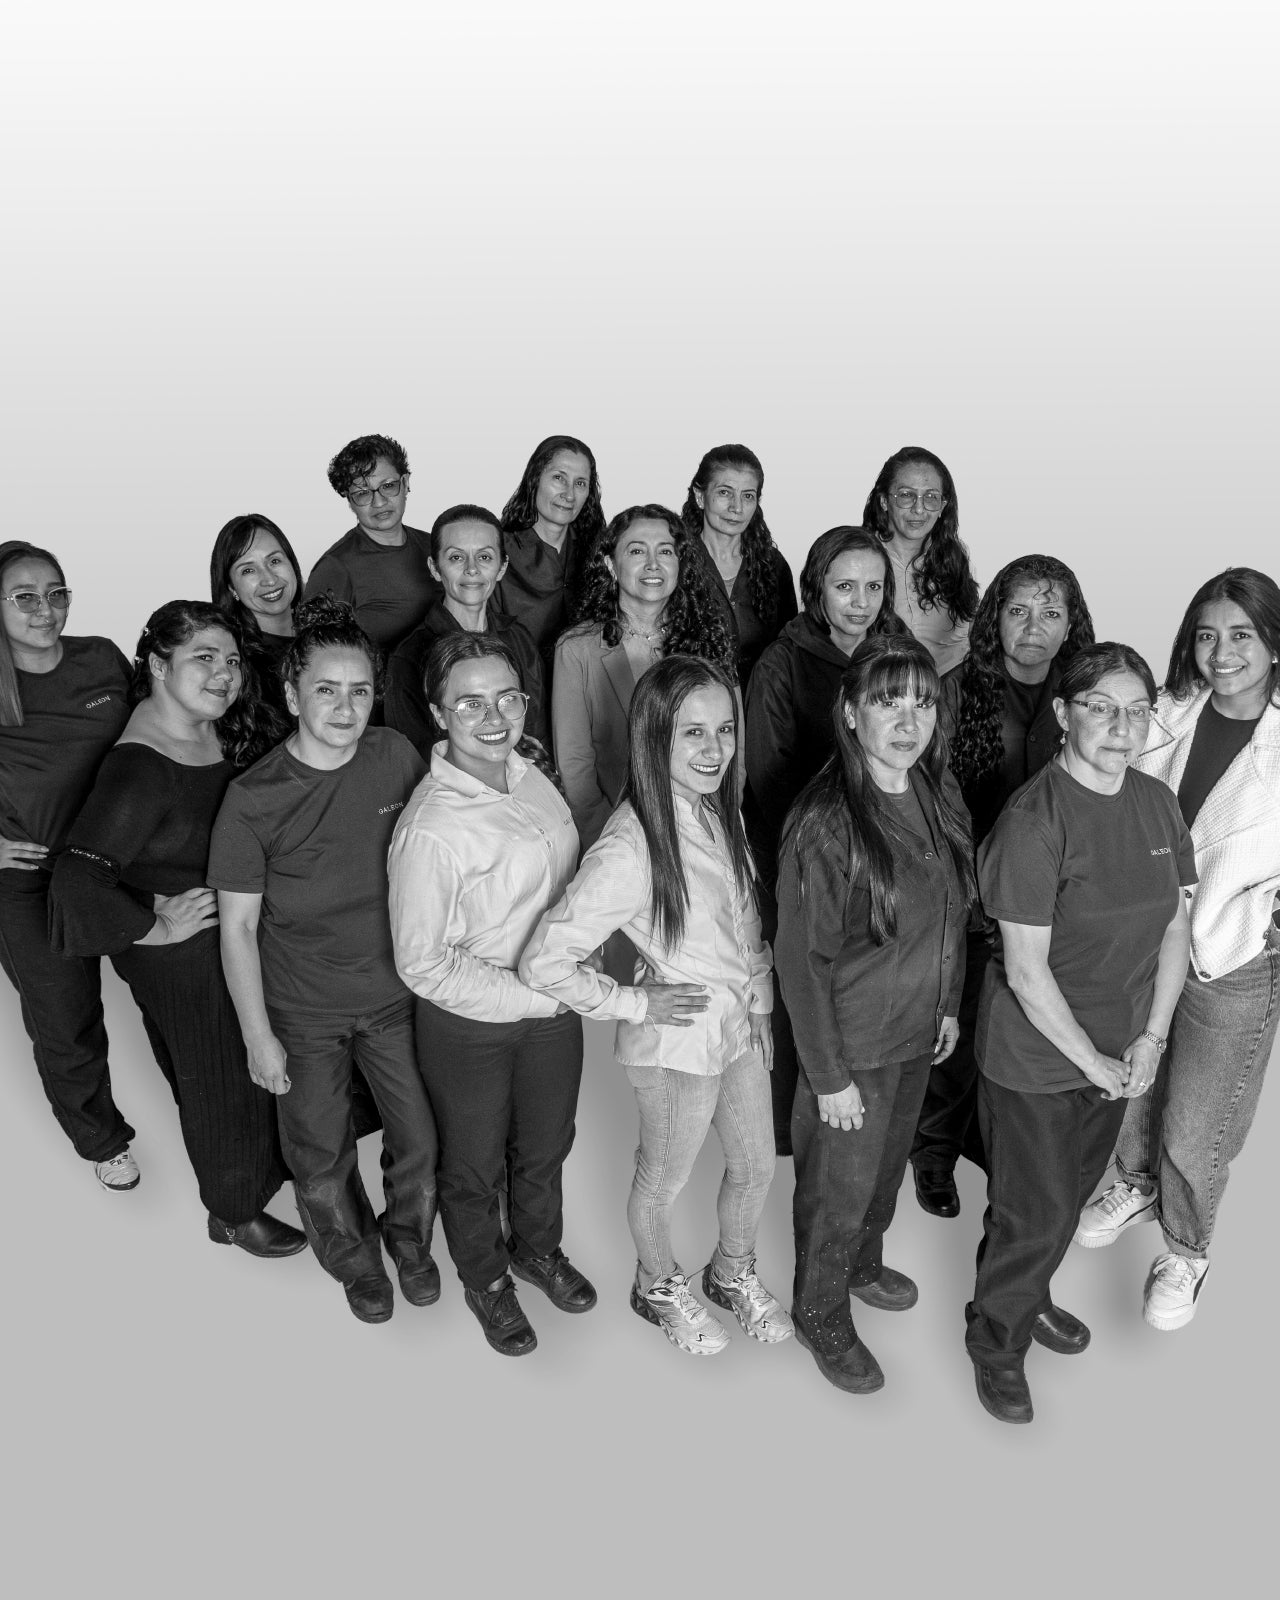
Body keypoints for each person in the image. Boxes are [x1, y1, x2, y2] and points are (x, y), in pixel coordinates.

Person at [521, 655, 792, 1358]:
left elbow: (744, 917)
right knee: (663, 1181)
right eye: (692, 732)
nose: (714, 749)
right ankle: (657, 1284)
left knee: (757, 1164)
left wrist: (761, 1003)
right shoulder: (629, 845)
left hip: (736, 1026)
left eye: (724, 729)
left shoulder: (718, 808)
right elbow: (545, 960)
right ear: (653, 736)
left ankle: (731, 1274)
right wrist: (634, 1002)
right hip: (676, 1047)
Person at [966, 643, 1195, 1423]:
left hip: (1120, 1056)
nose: (1122, 727)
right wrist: (1094, 1063)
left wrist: (1151, 1039)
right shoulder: (1034, 822)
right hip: (1037, 1062)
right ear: (1064, 714)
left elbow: (1174, 925)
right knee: (1031, 1213)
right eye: (1101, 707)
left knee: (1059, 1205)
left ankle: (1021, 1295)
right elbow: (1026, 973)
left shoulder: (1156, 803)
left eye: (1138, 710)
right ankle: (997, 1342)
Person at [49, 602, 304, 1256]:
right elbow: (77, 879)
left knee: (253, 1065)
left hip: (229, 932)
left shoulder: (206, 728)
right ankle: (233, 1212)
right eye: (204, 659)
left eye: (232, 660)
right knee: (219, 1078)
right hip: (185, 955)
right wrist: (156, 926)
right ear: (159, 666)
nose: (225, 674)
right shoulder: (140, 765)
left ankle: (268, 1174)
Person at [210, 598, 439, 1324]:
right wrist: (258, 1036)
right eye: (327, 690)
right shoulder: (252, 800)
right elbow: (238, 929)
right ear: (291, 695)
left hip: (396, 995)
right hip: (303, 1011)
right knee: (318, 1150)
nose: (345, 708)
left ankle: (410, 1240)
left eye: (360, 690)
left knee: (420, 1134)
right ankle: (354, 1261)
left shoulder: (394, 756)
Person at [1074, 569, 1280, 1332]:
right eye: (1206, 635)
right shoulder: (1165, 711)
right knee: (1136, 1080)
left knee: (1200, 1122)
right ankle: (1133, 1182)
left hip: (1231, 956)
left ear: (1274, 643)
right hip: (1146, 938)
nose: (1222, 653)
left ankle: (1187, 1248)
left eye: (1242, 635)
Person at [776, 635, 974, 1394]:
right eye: (888, 701)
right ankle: (819, 1312)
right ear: (851, 711)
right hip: (852, 1047)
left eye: (923, 702)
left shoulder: (931, 789)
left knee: (885, 1172)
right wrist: (829, 1078)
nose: (908, 720)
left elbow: (949, 912)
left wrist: (947, 1005)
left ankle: (861, 1264)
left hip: (915, 1032)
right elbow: (802, 962)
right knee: (838, 1191)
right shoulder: (826, 821)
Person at [388, 633, 594, 1357]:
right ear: (438, 714)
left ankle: (536, 1249)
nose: (494, 717)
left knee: (546, 1144)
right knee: (473, 1165)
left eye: (507, 698)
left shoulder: (529, 774)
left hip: (552, 1009)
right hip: (472, 1026)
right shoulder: (431, 828)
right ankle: (486, 1278)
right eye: (471, 703)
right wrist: (536, 997)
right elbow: (423, 964)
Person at [910, 555, 1095, 1217]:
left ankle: (988, 1142)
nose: (1034, 626)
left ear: (1071, 623)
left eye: (1050, 612)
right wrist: (976, 889)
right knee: (956, 1032)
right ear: (995, 618)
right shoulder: (955, 692)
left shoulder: (1085, 696)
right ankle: (933, 1153)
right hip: (968, 896)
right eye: (1019, 610)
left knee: (1025, 1030)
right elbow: (932, 804)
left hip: (1053, 901)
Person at [744, 526, 908, 1152]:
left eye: (874, 587)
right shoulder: (782, 663)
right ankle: (793, 1131)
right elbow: (767, 777)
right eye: (845, 587)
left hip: (886, 852)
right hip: (809, 854)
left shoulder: (897, 654)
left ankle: (872, 1114)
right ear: (816, 588)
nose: (861, 602)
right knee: (809, 987)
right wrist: (828, 847)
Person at [0, 542, 136, 1189]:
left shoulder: (100, 658)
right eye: (25, 597)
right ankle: (102, 1141)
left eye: (56, 593)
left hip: (117, 863)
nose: (45, 610)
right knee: (66, 1018)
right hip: (29, 882)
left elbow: (153, 733)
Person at [553, 503, 735, 853]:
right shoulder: (576, 650)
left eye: (665, 551)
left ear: (680, 564)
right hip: (618, 837)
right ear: (611, 564)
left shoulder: (710, 640)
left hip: (704, 833)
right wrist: (618, 844)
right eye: (637, 551)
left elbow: (732, 749)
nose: (653, 564)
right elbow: (576, 769)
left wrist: (712, 828)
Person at [384, 504, 546, 756]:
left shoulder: (520, 639)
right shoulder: (408, 657)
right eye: (456, 557)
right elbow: (412, 756)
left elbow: (536, 734)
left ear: (502, 567)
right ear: (434, 568)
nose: (472, 569)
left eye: (484, 557)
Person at [305, 433, 437, 656]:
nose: (379, 502)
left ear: (405, 483)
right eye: (362, 493)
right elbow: (312, 655)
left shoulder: (435, 547)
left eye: (388, 486)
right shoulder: (336, 567)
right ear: (349, 500)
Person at [679, 443, 797, 684]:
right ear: (700, 496)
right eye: (725, 492)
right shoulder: (675, 562)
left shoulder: (773, 566)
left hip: (760, 700)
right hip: (691, 699)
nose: (737, 507)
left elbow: (788, 650)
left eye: (748, 496)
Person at [496, 435, 605, 680]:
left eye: (580, 483)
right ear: (535, 479)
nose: (569, 494)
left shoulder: (598, 554)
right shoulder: (499, 552)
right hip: (516, 686)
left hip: (585, 686)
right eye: (559, 478)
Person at [863, 445, 978, 676]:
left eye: (931, 497)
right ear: (884, 501)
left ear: (943, 506)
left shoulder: (954, 559)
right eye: (906, 495)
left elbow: (974, 634)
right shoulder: (858, 558)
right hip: (883, 686)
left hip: (954, 686)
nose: (919, 509)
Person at [210, 512, 304, 723]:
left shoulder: (327, 632)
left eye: (275, 560)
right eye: (248, 570)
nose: (269, 579)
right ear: (231, 588)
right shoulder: (237, 665)